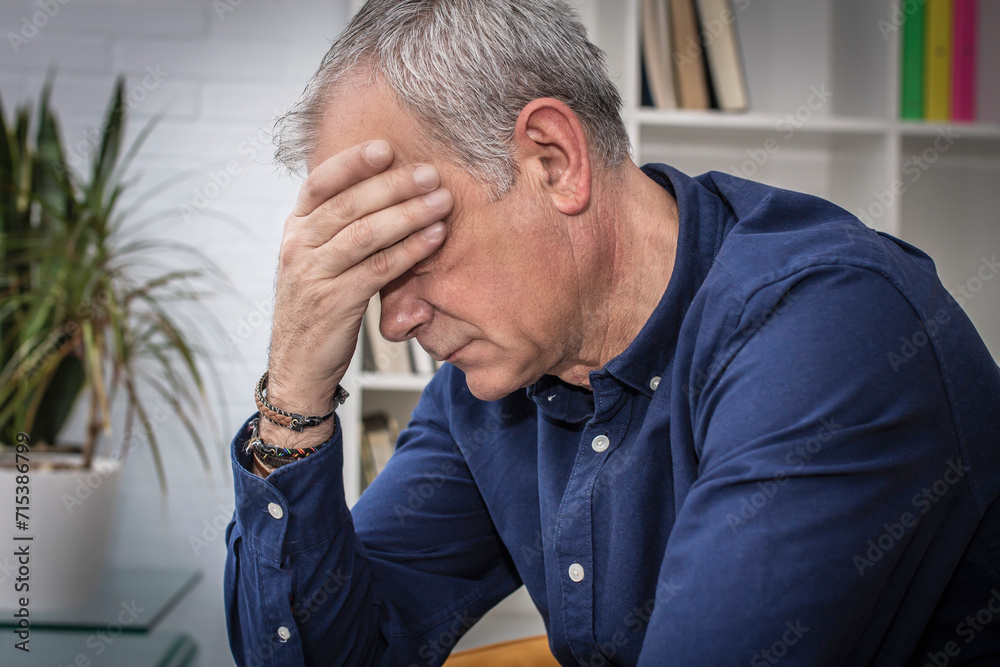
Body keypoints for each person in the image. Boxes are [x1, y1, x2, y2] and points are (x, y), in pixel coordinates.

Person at [223, 1, 1000, 665]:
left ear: (554, 161)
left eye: (408, 250)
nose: (393, 321)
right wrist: (295, 394)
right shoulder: (491, 386)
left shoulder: (827, 328)